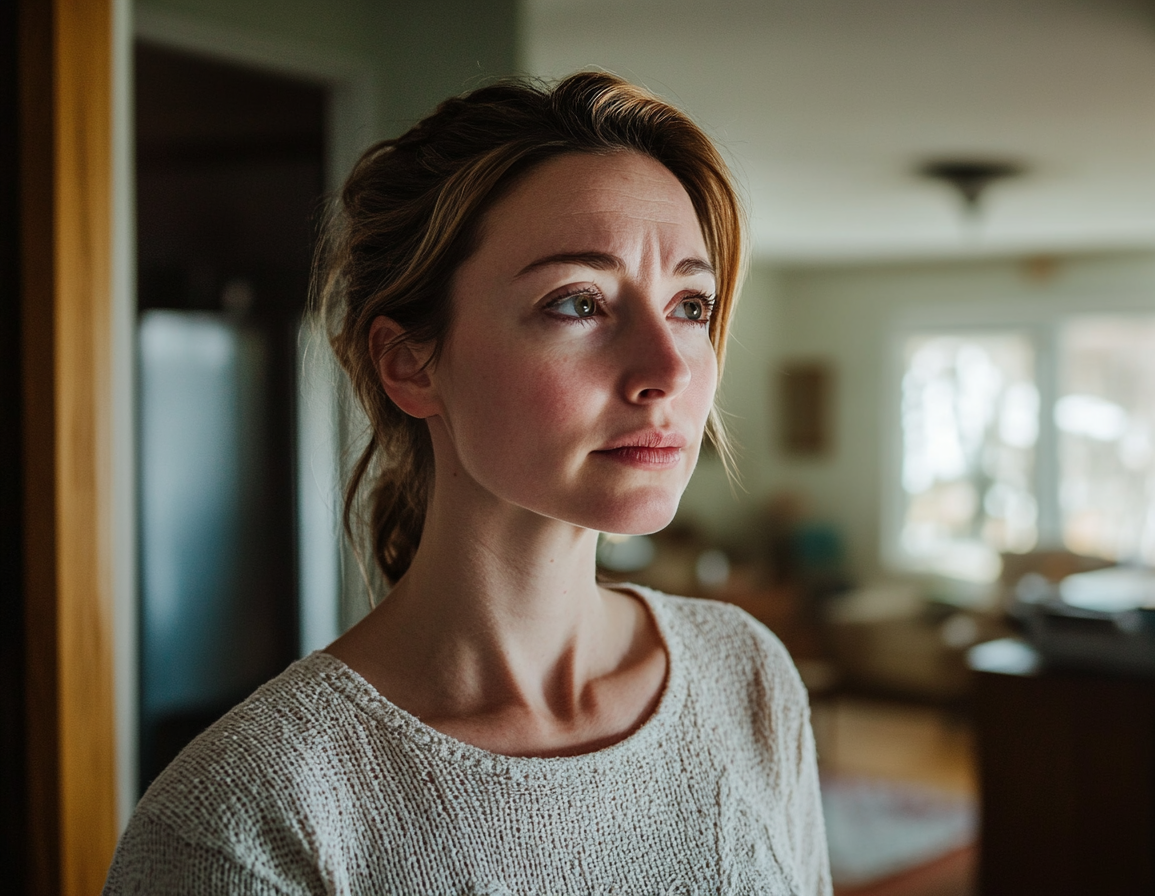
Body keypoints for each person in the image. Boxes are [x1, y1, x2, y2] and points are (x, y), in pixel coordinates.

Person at [104, 71, 831, 895]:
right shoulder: (245, 817)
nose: (667, 369)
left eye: (691, 306)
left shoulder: (747, 677)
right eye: (578, 303)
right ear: (410, 363)